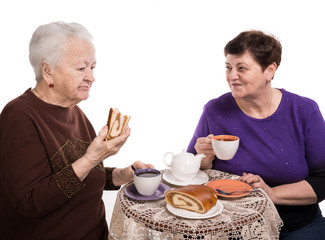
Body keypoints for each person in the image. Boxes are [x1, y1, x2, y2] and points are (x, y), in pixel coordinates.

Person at [0, 21, 153, 240]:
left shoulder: (73, 110)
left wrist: (122, 175)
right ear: (48, 71)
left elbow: (82, 176)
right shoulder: (19, 117)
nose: (91, 77)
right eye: (81, 68)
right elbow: (30, 203)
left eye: (92, 67)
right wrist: (92, 158)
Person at [187, 30, 325, 239]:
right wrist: (203, 159)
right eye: (228, 67)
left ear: (269, 71)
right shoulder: (214, 110)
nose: (232, 76)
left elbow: (323, 179)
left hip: (297, 227)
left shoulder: (304, 110)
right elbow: (189, 173)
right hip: (230, 228)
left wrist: (272, 193)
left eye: (242, 68)